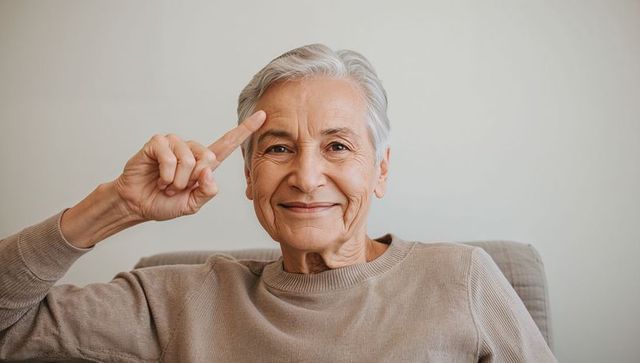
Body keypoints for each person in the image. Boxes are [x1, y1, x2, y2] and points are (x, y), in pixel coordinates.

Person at [0, 44, 557, 362]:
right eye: (279, 148)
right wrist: (117, 206)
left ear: (380, 169)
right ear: (248, 174)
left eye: (337, 146)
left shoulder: (463, 279)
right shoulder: (177, 299)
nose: (306, 176)